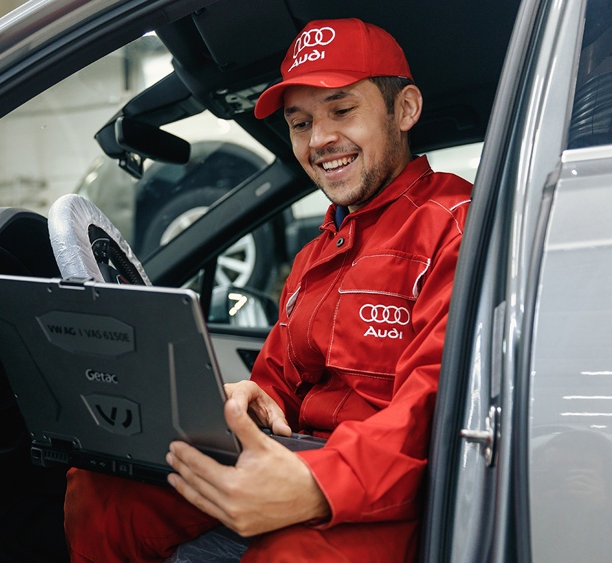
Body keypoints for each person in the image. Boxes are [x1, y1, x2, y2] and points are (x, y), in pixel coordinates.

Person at [64, 17, 473, 562]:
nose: (320, 139)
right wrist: (257, 400)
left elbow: (436, 407)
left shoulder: (455, 225)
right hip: (299, 455)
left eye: (342, 110)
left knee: (289, 555)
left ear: (404, 109)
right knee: (104, 493)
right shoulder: (312, 256)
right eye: (300, 123)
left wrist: (313, 486)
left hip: (393, 491)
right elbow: (279, 380)